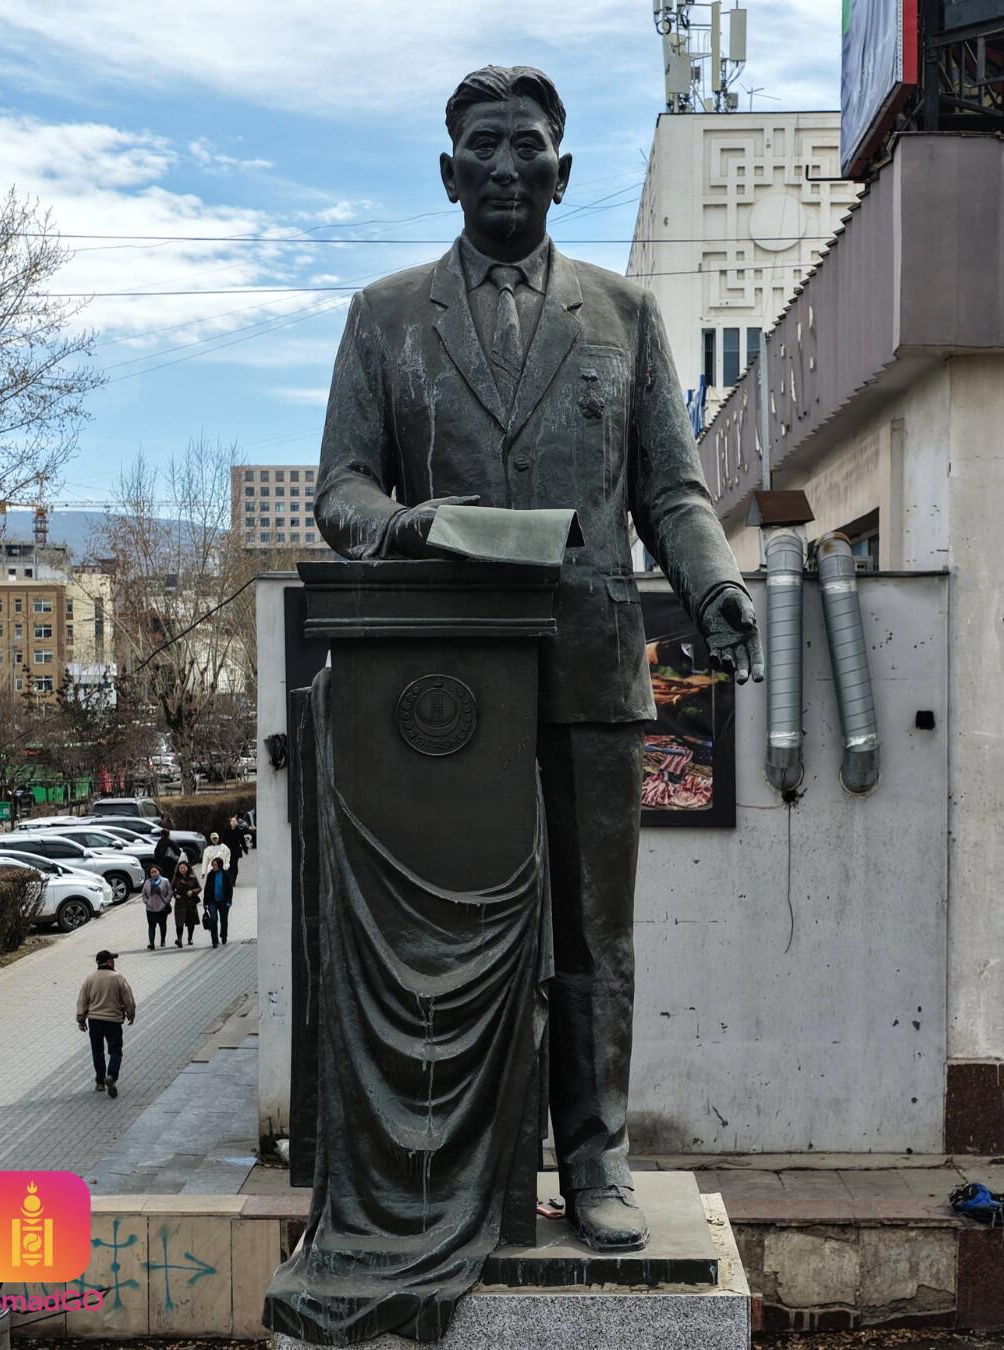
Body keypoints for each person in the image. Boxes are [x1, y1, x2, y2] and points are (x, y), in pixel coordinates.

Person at [313, 65, 763, 1253]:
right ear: (449, 170)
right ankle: (472, 1164)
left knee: (592, 934)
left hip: (587, 665)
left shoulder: (623, 316)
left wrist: (715, 582)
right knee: (449, 931)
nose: (506, 167)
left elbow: (671, 486)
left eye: (528, 146)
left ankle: (597, 1155)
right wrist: (394, 523)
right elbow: (341, 490)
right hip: (444, 685)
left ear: (562, 168)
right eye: (484, 146)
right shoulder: (387, 317)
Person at [76, 950, 135, 1097]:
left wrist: (81, 1019)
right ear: (108, 962)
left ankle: (100, 1082)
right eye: (112, 959)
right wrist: (130, 1013)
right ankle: (112, 1076)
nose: (114, 962)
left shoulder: (89, 979)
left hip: (95, 1020)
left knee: (97, 1051)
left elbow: (82, 1000)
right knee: (115, 1050)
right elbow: (128, 997)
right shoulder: (117, 978)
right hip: (113, 1021)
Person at [202, 857, 233, 948]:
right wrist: (205, 902)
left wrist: (229, 900)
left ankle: (223, 936)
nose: (214, 867)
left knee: (224, 920)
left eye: (215, 865)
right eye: (213, 865)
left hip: (223, 902)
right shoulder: (210, 875)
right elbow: (207, 888)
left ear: (220, 865)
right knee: (213, 920)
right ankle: (214, 940)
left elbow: (229, 889)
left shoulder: (225, 874)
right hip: (212, 901)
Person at [171, 860, 201, 948]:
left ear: (187, 868)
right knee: (179, 923)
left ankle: (190, 938)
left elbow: (199, 888)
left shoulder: (192, 877)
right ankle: (179, 939)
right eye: (180, 868)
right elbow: (171, 889)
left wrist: (192, 891)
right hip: (180, 903)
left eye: (184, 867)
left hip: (190, 902)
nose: (182, 869)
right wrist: (175, 895)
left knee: (191, 922)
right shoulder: (176, 878)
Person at [141, 865, 172, 950]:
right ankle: (152, 943)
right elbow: (143, 894)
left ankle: (163, 940)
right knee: (151, 926)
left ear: (159, 871)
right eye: (152, 872)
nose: (154, 874)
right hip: (150, 908)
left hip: (162, 907)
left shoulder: (165, 881)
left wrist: (166, 901)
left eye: (155, 871)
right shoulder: (147, 882)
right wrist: (146, 901)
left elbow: (170, 892)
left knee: (162, 925)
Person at [221, 816, 247, 886]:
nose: (233, 823)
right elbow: (224, 840)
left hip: (235, 851)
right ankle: (229, 880)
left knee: (234, 865)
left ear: (236, 823)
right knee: (228, 866)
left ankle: (233, 880)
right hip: (228, 851)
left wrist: (245, 849)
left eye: (234, 821)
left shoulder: (239, 831)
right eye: (232, 821)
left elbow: (242, 841)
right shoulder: (227, 830)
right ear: (230, 823)